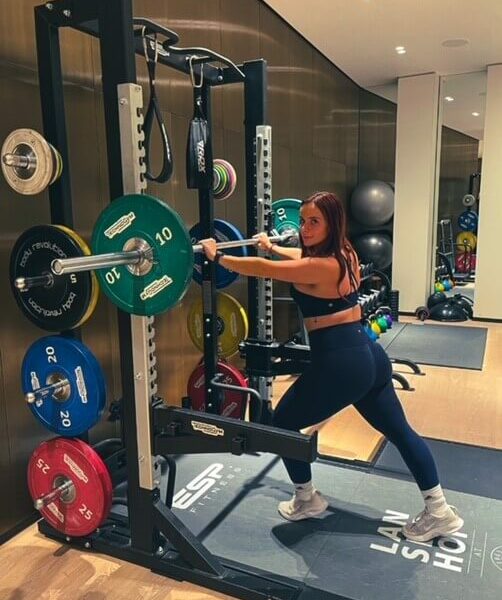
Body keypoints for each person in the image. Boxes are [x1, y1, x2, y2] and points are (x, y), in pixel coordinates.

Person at [200, 190, 463, 543]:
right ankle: (438, 509)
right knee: (400, 432)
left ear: (332, 223)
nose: (305, 229)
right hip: (368, 355)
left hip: (341, 363)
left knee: (284, 425)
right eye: (304, 221)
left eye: (314, 222)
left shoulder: (318, 266)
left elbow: (271, 271)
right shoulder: (345, 253)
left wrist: (220, 258)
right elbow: (294, 258)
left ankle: (306, 499)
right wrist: (272, 245)